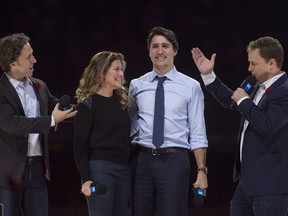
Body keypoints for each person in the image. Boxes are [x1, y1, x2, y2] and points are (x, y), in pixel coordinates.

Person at [191, 36, 288, 216]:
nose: (249, 69)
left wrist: (244, 100)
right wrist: (208, 75)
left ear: (272, 64)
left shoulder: (284, 92)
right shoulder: (255, 85)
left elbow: (266, 124)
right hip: (247, 182)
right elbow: (232, 100)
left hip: (271, 186)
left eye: (254, 63)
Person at [128, 26, 208, 216]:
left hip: (175, 161)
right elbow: (130, 123)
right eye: (155, 46)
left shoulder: (191, 86)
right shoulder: (136, 85)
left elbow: (198, 132)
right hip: (141, 160)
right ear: (149, 52)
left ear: (175, 50)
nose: (160, 51)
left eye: (165, 46)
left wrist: (202, 171)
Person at [0, 33, 77, 216]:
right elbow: (11, 124)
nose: (34, 60)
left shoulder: (39, 86)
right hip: (7, 176)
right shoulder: (1, 90)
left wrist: (91, 108)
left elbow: (60, 109)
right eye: (29, 57)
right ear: (13, 64)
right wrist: (51, 121)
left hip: (36, 172)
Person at [74, 51, 131, 216]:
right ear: (102, 71)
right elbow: (80, 146)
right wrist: (86, 179)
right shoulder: (88, 105)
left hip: (123, 170)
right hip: (100, 170)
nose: (121, 74)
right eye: (116, 69)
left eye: (121, 70)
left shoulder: (122, 103)